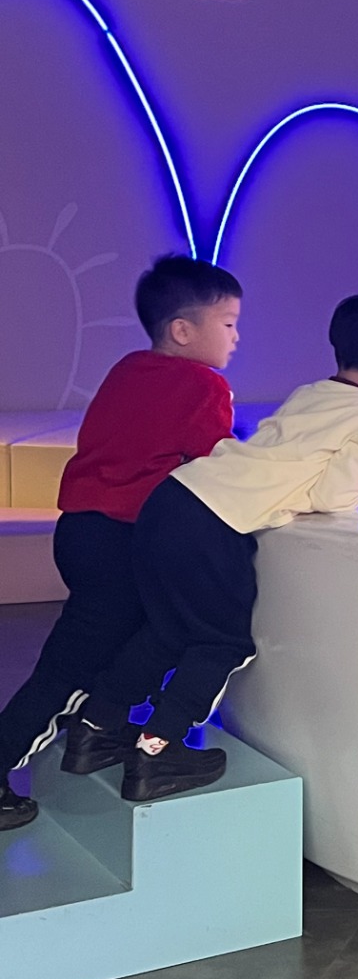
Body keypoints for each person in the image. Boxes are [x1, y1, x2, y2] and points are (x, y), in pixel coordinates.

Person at [67, 290, 358, 804]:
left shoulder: (312, 393)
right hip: (211, 523)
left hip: (172, 500)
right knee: (222, 642)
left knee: (167, 630)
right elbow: (334, 496)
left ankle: (94, 730)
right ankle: (158, 750)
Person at [0, 257, 242, 831]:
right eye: (229, 323)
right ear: (182, 330)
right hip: (124, 540)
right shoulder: (203, 385)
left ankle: (102, 730)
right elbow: (217, 465)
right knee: (67, 672)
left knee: (109, 646)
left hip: (81, 531)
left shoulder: (128, 369)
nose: (237, 337)